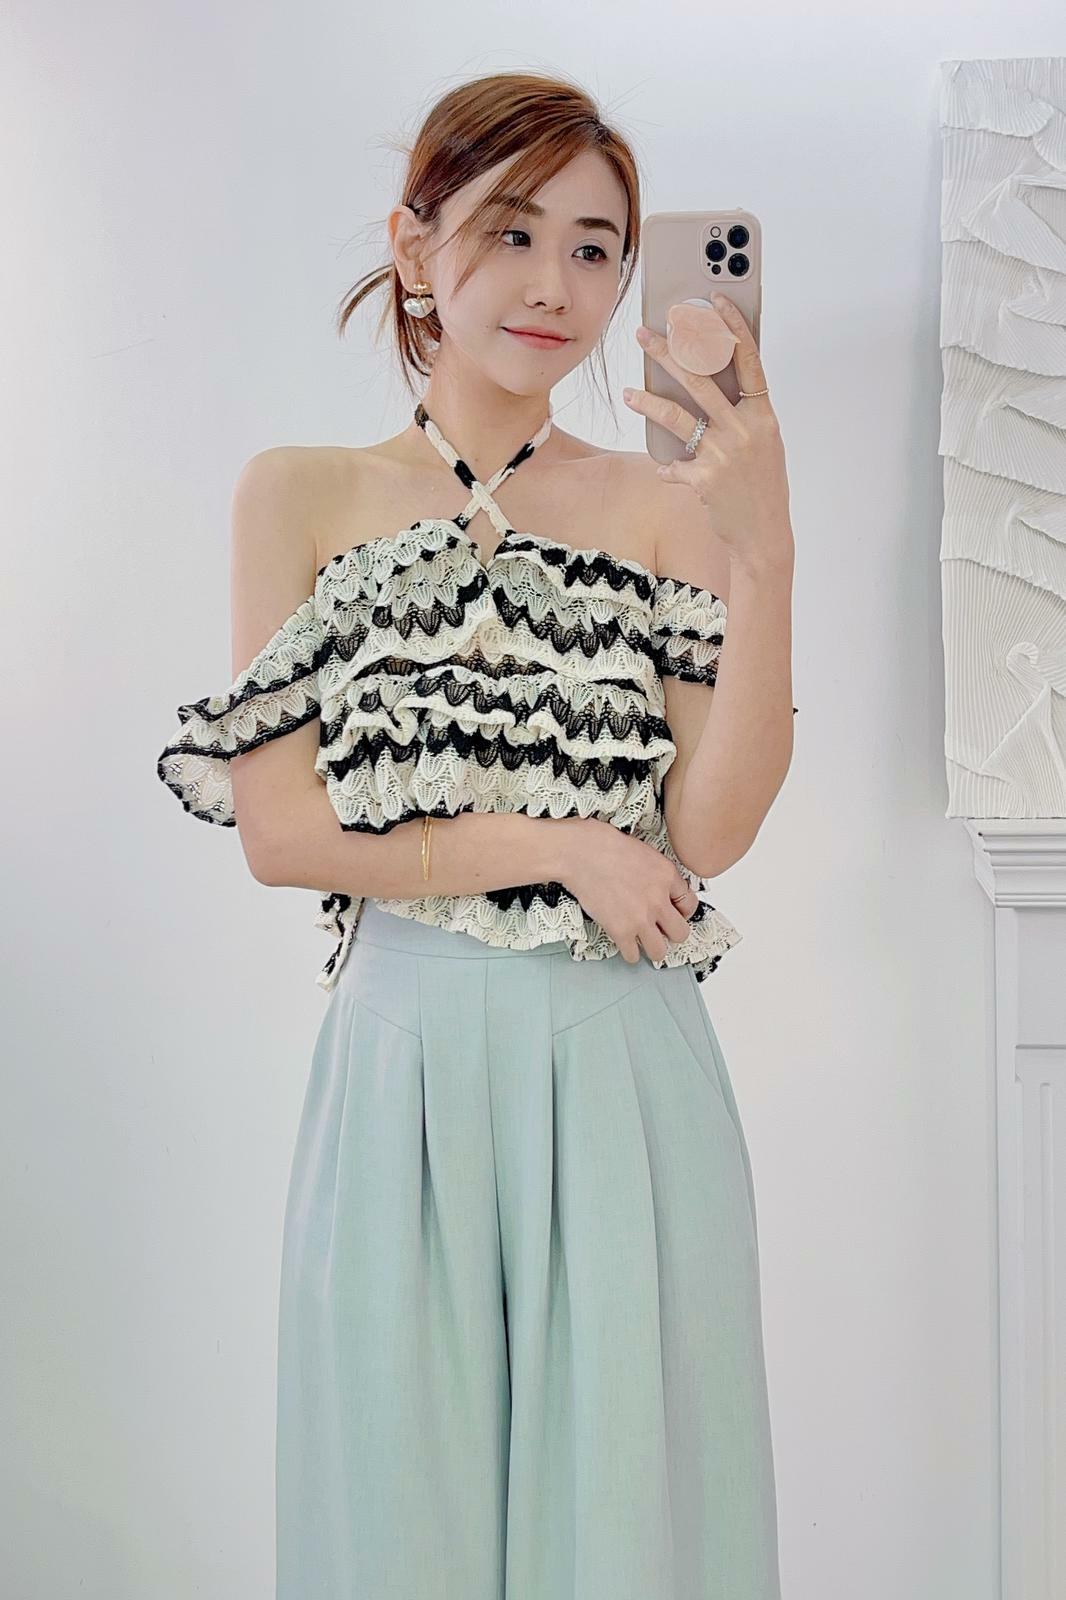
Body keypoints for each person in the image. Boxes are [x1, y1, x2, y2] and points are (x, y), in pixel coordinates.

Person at [157, 69, 796, 1600]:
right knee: (399, 1523)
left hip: (623, 1063)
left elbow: (710, 831)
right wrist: (558, 843)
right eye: (510, 232)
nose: (553, 284)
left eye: (595, 247)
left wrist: (765, 553)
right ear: (413, 243)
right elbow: (280, 835)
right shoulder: (299, 495)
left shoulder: (665, 506)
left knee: (632, 1531)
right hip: (404, 1062)